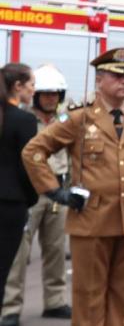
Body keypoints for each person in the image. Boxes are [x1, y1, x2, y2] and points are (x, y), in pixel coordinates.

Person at [21, 48, 124, 326]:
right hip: (91, 221)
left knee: (123, 296)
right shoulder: (79, 117)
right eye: (116, 75)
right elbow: (34, 151)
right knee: (89, 297)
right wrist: (55, 191)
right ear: (99, 80)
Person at [1, 65, 72, 326]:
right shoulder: (23, 118)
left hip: (59, 193)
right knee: (19, 253)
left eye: (56, 93)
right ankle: (10, 307)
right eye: (46, 93)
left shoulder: (66, 121)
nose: (51, 98)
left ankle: (54, 301)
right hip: (32, 194)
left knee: (55, 250)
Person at [0, 68, 38, 306]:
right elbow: (29, 167)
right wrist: (31, 198)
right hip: (11, 204)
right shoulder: (24, 120)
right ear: (17, 86)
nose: (34, 90)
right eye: (31, 84)